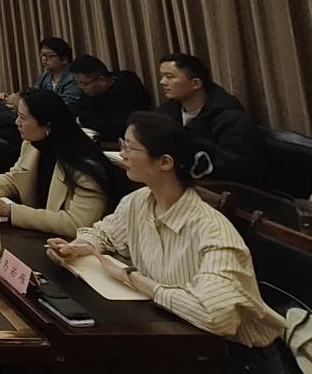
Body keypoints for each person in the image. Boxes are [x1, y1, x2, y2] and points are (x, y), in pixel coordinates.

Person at [47, 113, 286, 351]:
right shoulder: (138, 201)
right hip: (169, 331)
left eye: (130, 147)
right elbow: (104, 234)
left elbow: (217, 316)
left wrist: (137, 280)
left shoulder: (212, 230)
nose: (122, 154)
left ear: (165, 162)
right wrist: (78, 246)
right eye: (122, 144)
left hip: (232, 352)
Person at [0, 88, 108, 235]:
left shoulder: (84, 165)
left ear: (48, 126)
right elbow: (15, 179)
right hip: (41, 237)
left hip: (69, 244)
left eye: (23, 118)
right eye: (17, 115)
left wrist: (10, 211)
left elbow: (77, 223)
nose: (17, 122)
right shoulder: (33, 144)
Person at [156, 52, 266, 184]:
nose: (162, 82)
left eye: (170, 77)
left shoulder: (232, 118)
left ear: (195, 83)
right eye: (161, 76)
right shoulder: (165, 112)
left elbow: (237, 168)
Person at [71, 55, 151, 141]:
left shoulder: (128, 89)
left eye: (83, 84)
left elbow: (118, 127)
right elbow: (79, 110)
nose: (80, 88)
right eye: (77, 83)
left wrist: (83, 119)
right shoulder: (91, 91)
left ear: (102, 80)